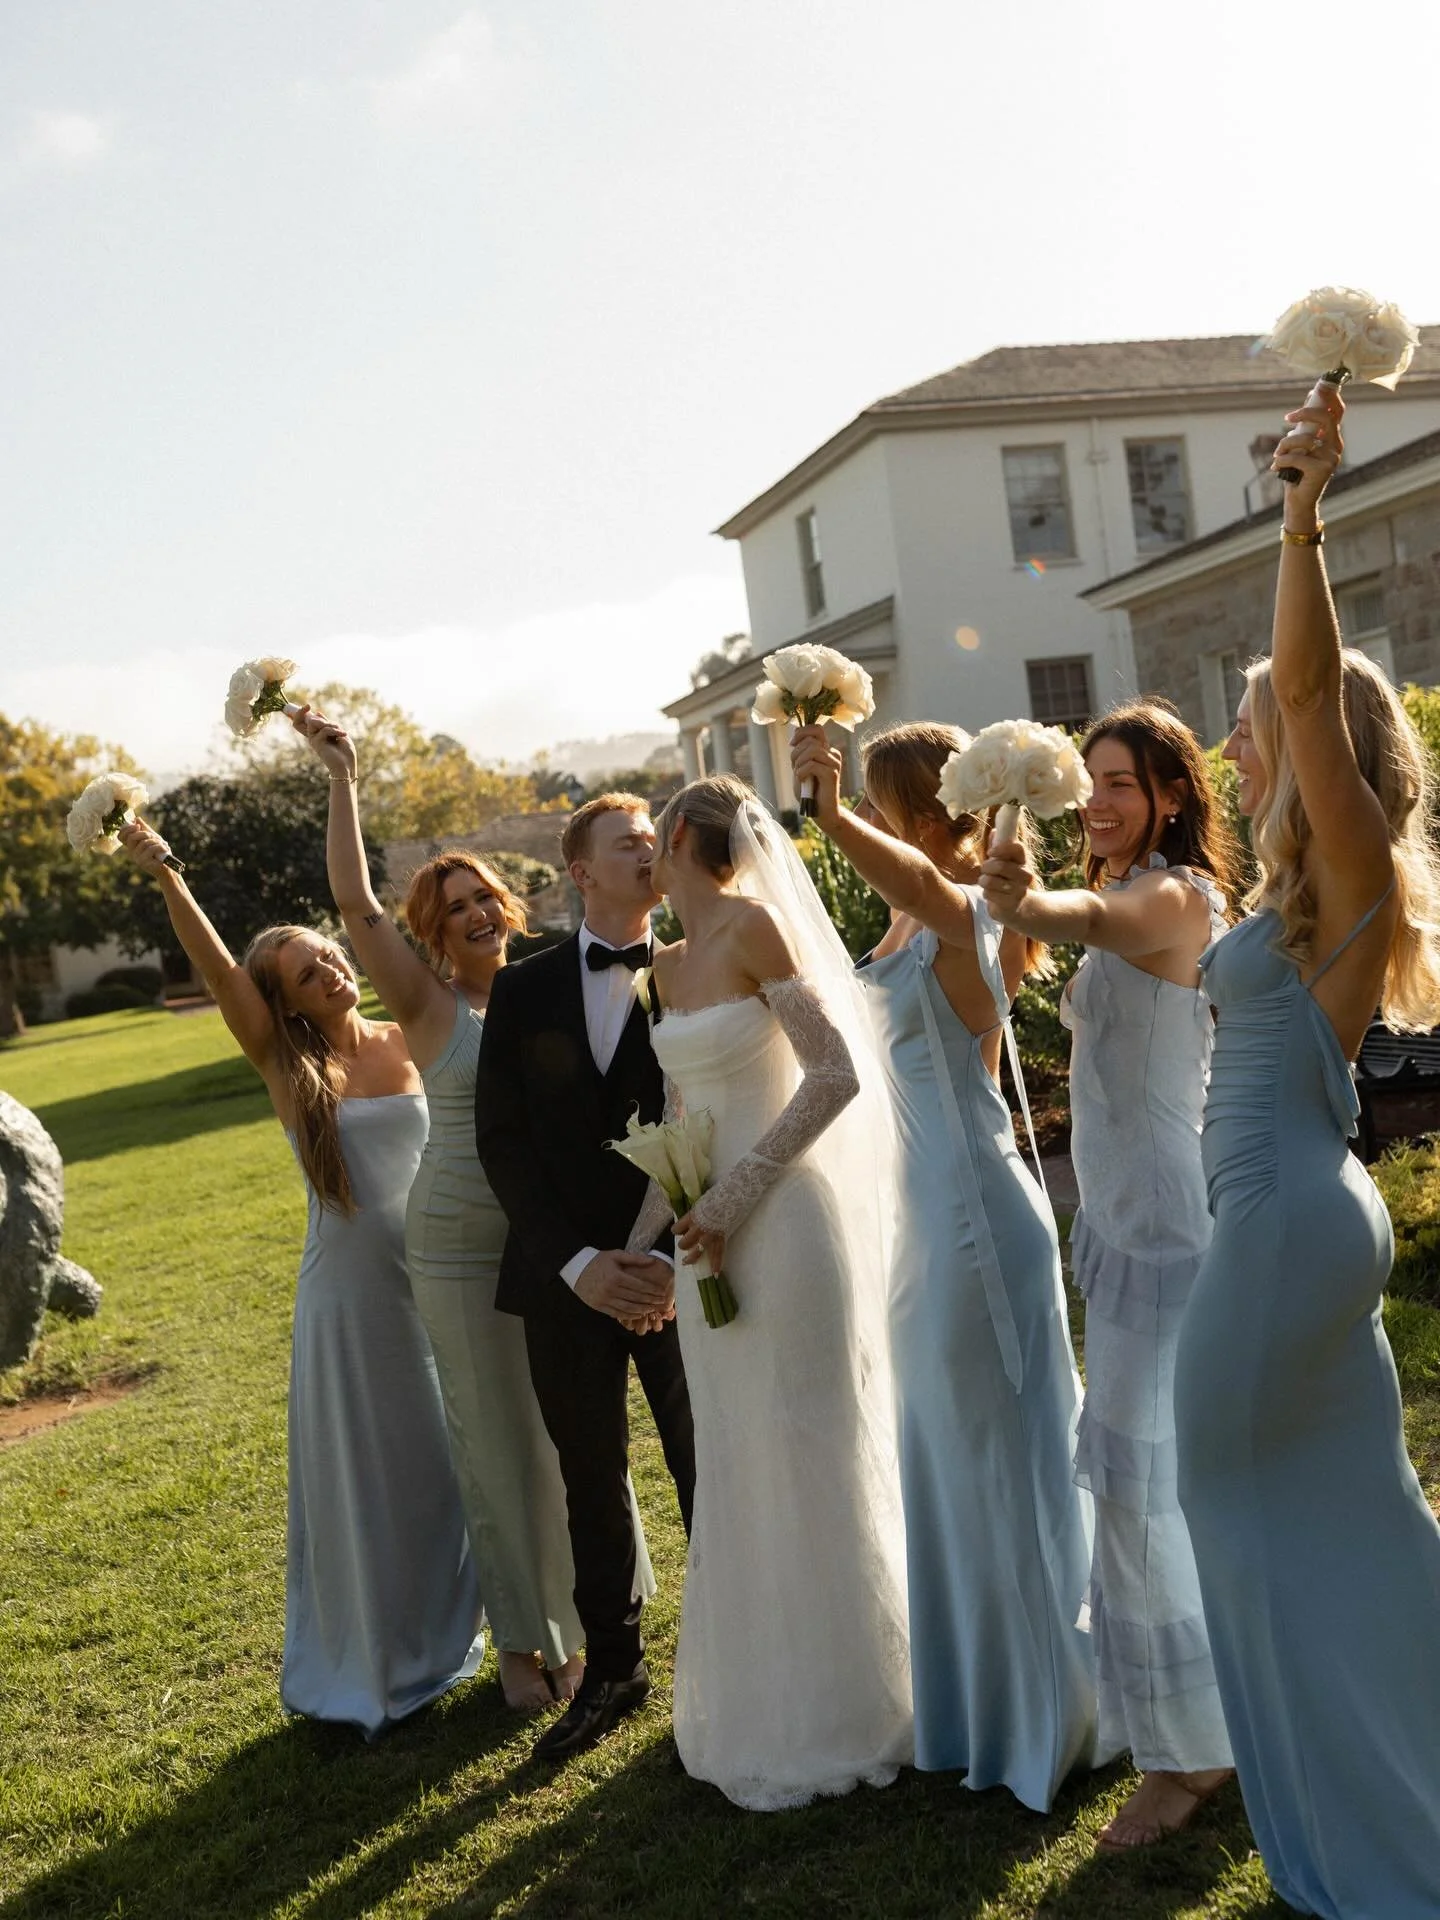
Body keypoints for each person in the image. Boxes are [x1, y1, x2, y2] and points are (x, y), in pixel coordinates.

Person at [1172, 383, 1440, 1917]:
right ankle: (1383, 1812)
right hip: (1293, 1215)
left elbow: (1303, 668)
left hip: (1279, 1222)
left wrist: (1299, 511)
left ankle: (1366, 1851)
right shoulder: (1290, 893)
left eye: (1260, 708)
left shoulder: (1353, 871)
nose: (1235, 729)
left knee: (1245, 1522)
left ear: (1319, 730)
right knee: (1360, 1526)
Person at [296, 709, 654, 1711]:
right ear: (435, 930)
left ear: (508, 902)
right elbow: (353, 902)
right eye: (452, 907)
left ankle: (593, 1626)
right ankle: (521, 1645)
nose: (473, 914)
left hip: (561, 1243)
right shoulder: (427, 1007)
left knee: (572, 1436)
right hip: (455, 1245)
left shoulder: (554, 990)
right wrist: (343, 778)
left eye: (482, 896)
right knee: (494, 1443)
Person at [790, 721, 1100, 1812]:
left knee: (1000, 1458)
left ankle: (1048, 1713)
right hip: (917, 1227)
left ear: (916, 813)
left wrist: (823, 816)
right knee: (946, 1459)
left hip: (976, 1216)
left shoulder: (962, 911)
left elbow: (923, 881)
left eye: (873, 805)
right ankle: (974, 1704)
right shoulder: (891, 929)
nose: (860, 824)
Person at [117, 819, 483, 1739]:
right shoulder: (290, 1064)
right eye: (304, 972)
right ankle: (375, 1656)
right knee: (375, 1470)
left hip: (441, 1274)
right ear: (282, 1004)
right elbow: (219, 973)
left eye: (327, 952)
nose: (329, 969)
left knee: (453, 1459)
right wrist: (169, 875)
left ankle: (461, 1628)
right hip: (351, 1304)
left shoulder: (416, 1032)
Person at [980, 700, 1237, 1847]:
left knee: (1142, 1491)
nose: (1101, 798)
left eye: (1122, 782)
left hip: (1175, 1233)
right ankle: (1204, 1725)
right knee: (1158, 1487)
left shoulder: (1174, 898)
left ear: (1173, 796)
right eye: (1090, 779)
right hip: (1127, 1229)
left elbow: (1070, 914)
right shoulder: (1125, 889)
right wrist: (1009, 869)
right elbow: (1029, 949)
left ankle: (1190, 1757)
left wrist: (1027, 895)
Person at [631, 773, 911, 1810]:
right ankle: (761, 1703)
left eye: (645, 833)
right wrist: (644, 1248)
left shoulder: (755, 931)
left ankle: (856, 1702)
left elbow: (834, 1073)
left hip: (786, 1224)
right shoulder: (664, 965)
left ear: (672, 838)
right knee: (739, 1456)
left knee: (807, 1442)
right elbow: (677, 1113)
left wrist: (743, 1193)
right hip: (706, 1239)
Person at [474, 793, 696, 1764]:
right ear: (581, 870)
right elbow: (502, 1140)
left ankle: (739, 1658)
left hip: (678, 1275)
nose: (651, 852)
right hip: (562, 1281)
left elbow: (718, 1122)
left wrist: (660, 1260)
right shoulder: (521, 990)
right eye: (630, 844)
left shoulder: (698, 970)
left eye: (657, 841)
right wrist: (576, 1264)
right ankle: (613, 1671)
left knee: (708, 1468)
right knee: (590, 1481)